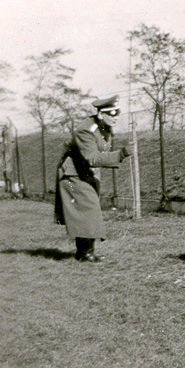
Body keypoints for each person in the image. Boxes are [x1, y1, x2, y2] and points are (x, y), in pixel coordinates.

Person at [54, 95, 131, 262]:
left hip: (86, 173)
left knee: (87, 211)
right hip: (72, 175)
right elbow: (92, 158)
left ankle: (84, 253)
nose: (116, 116)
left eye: (117, 112)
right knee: (89, 209)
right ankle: (85, 253)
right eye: (111, 113)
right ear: (101, 115)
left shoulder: (104, 127)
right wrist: (121, 154)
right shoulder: (86, 130)